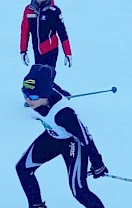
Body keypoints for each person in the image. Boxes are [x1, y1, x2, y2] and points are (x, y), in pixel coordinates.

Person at [16, 64, 108, 208]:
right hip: (53, 136)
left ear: (45, 94)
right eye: (25, 95)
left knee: (79, 190)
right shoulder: (39, 98)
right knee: (22, 168)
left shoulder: (64, 114)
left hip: (73, 142)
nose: (28, 100)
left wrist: (97, 163)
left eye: (33, 96)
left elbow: (85, 138)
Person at [20, 0, 72, 68]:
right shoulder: (29, 10)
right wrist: (23, 51)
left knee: (46, 77)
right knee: (39, 78)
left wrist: (67, 52)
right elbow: (24, 32)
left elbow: (62, 33)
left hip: (50, 50)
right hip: (37, 50)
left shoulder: (54, 11)